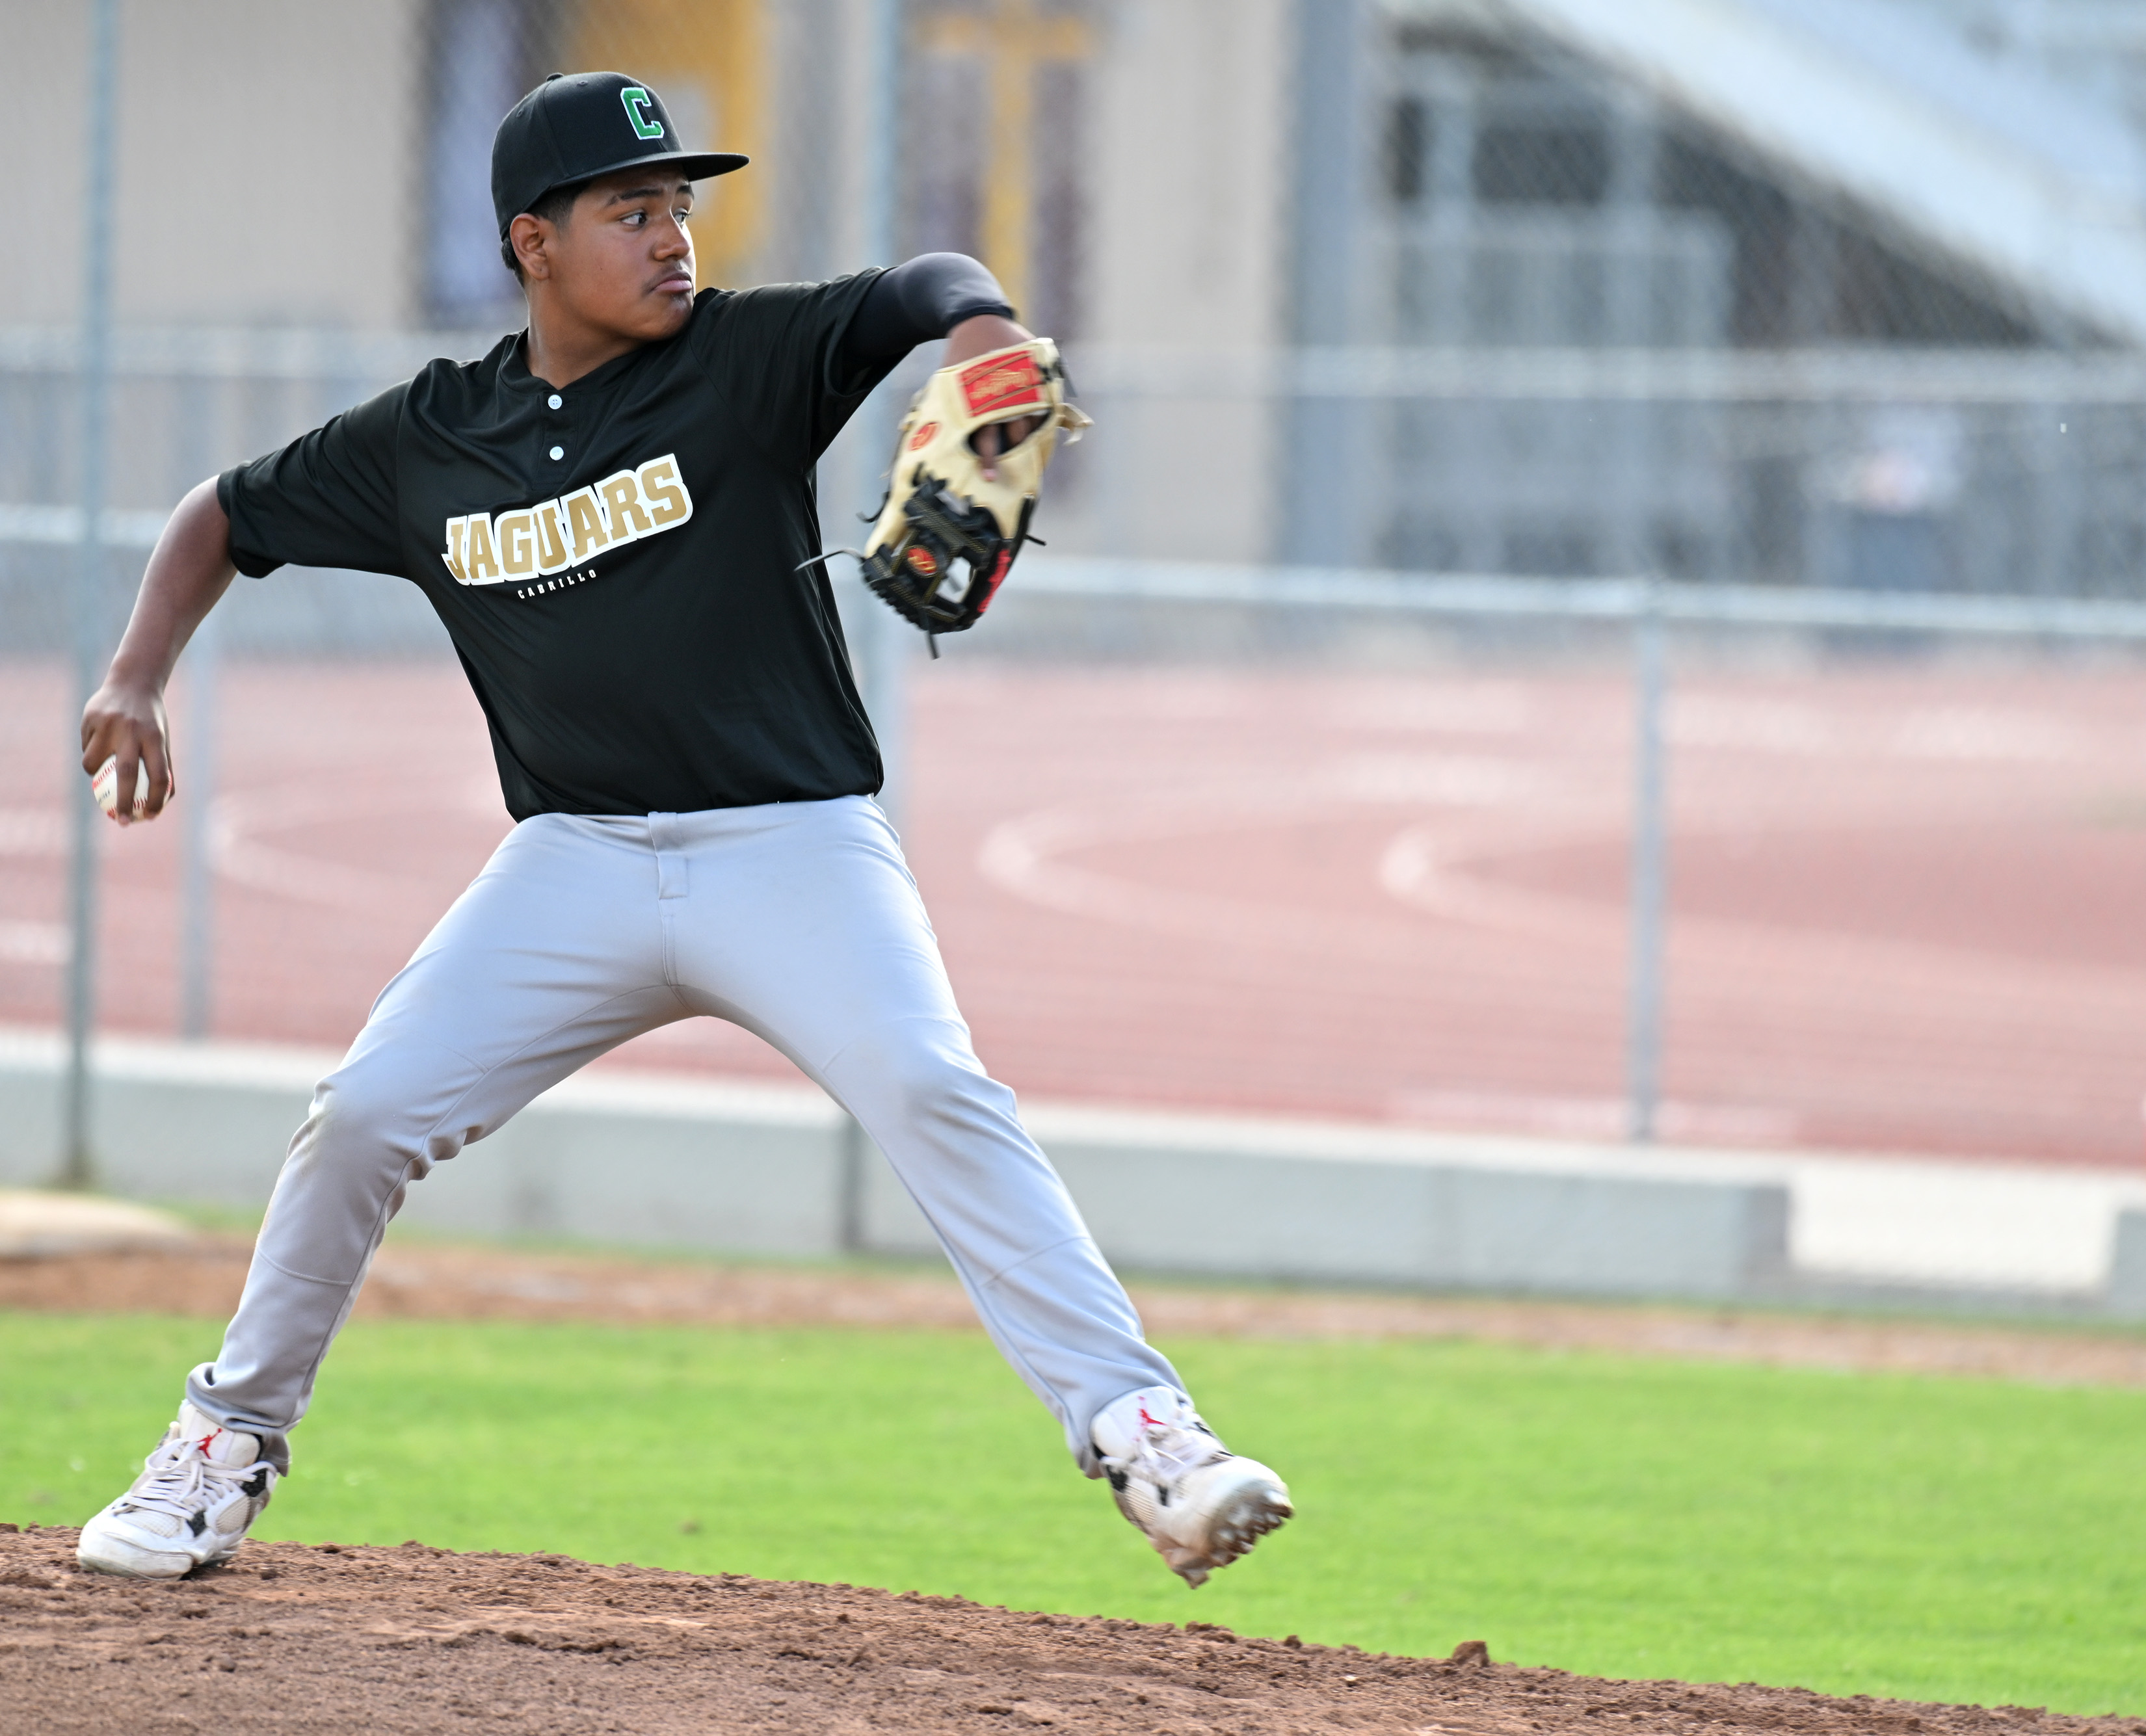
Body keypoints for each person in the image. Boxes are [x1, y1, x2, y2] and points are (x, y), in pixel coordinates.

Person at [72, 71, 1290, 1590]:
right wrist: (135, 673)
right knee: (363, 1120)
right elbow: (220, 515)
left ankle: (1146, 1438)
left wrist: (983, 334)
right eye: (630, 210)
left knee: (934, 1085)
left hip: (793, 847)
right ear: (534, 241)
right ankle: (222, 1448)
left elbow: (924, 287)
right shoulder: (432, 440)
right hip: (569, 867)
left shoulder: (744, 362)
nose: (673, 238)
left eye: (681, 207)